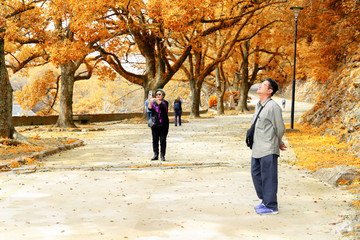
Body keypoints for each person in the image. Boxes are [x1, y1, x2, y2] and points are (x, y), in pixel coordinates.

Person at [250, 78, 286, 215]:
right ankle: (265, 200)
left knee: (268, 177)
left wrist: (278, 142)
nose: (260, 86)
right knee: (256, 174)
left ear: (270, 91)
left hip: (268, 148)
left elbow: (280, 128)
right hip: (257, 148)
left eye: (264, 85)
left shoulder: (273, 107)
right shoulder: (259, 105)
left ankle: (271, 206)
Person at [148, 89, 169, 161]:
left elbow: (162, 105)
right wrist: (150, 101)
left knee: (163, 140)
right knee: (155, 140)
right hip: (155, 124)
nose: (157, 95)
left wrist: (155, 99)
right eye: (156, 94)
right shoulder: (154, 103)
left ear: (163, 95)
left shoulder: (165, 103)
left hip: (163, 124)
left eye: (159, 94)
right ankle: (155, 155)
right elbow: (150, 109)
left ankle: (162, 155)